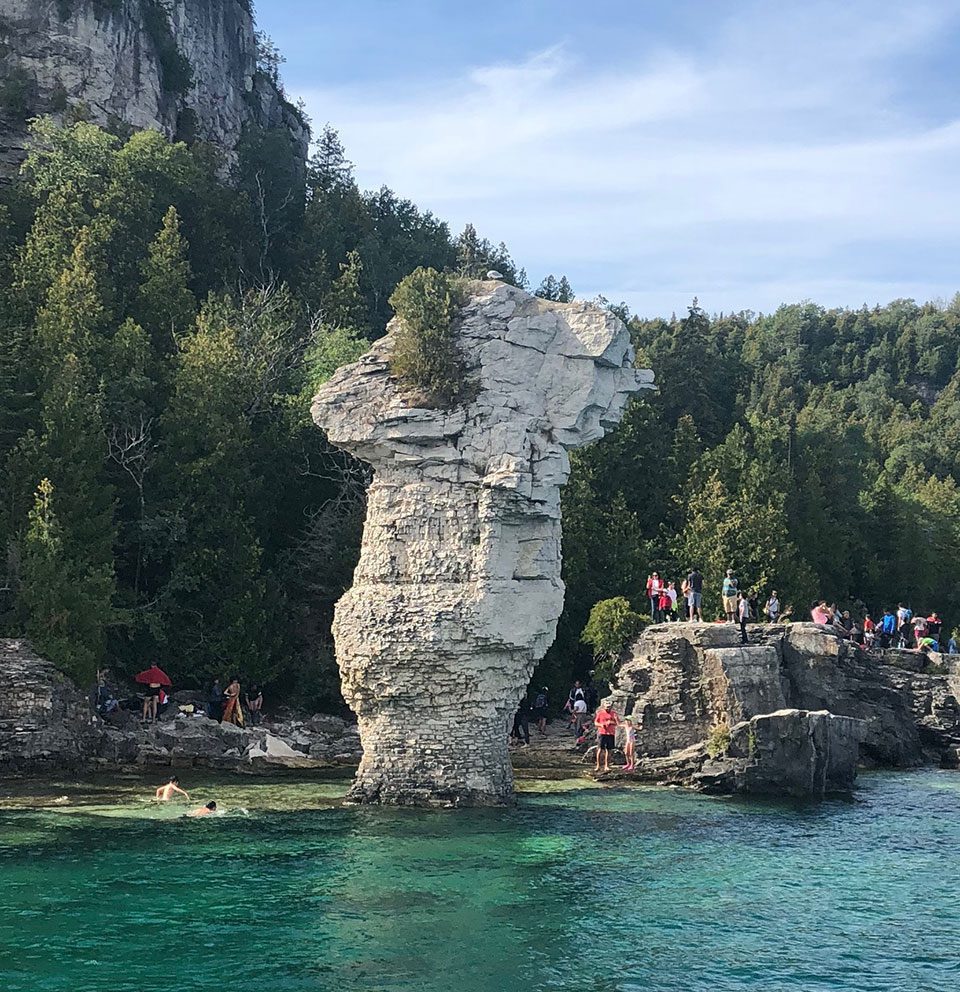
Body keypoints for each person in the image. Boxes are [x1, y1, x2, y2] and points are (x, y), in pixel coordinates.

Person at [593, 703, 620, 773]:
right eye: (607, 707)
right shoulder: (600, 713)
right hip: (602, 733)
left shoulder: (614, 714)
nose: (608, 708)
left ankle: (606, 766)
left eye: (609, 707)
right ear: (604, 707)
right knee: (600, 749)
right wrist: (601, 725)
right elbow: (595, 723)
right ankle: (598, 765)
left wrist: (612, 721)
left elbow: (618, 723)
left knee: (609, 750)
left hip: (611, 733)